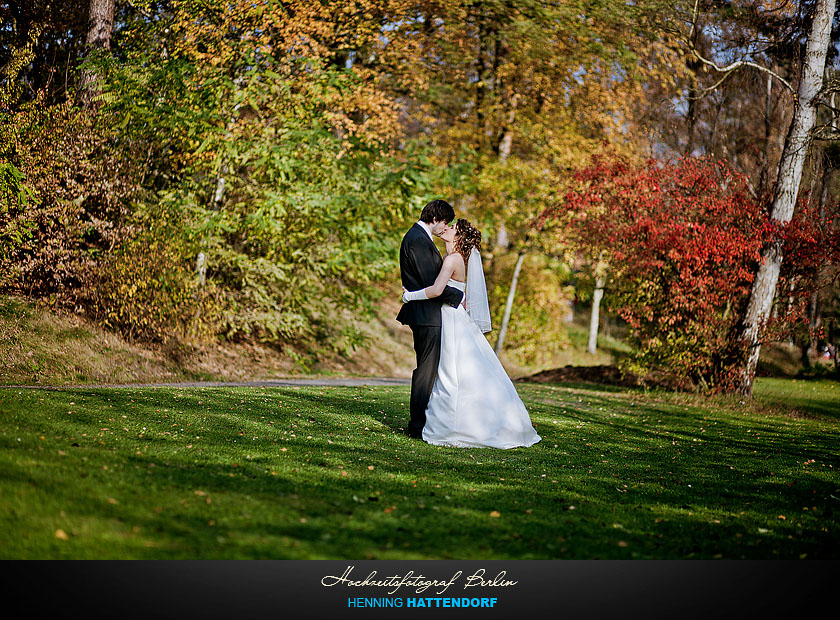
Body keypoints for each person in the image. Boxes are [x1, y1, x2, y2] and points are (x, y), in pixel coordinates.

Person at [401, 219, 541, 449]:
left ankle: (457, 425)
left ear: (458, 237)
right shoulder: (454, 258)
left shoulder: (452, 259)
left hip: (451, 320)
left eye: (452, 227)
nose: (447, 228)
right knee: (455, 373)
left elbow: (437, 291)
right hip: (452, 318)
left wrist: (409, 296)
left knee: (452, 374)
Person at [396, 200, 466, 439]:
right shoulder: (417, 239)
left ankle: (426, 423)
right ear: (435, 218)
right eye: (444, 222)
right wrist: (461, 294)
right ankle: (417, 427)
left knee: (432, 370)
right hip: (427, 316)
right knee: (426, 371)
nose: (444, 228)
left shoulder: (421, 238)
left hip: (431, 314)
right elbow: (431, 283)